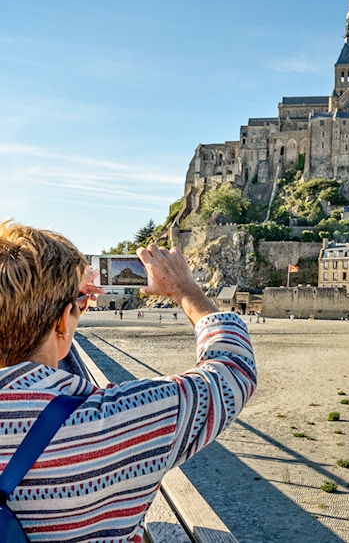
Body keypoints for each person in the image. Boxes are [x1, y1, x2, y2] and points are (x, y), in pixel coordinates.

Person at [0, 219, 256, 542]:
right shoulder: (120, 420)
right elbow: (233, 369)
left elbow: (33, 357)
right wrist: (185, 289)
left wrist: (63, 313)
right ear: (63, 325)